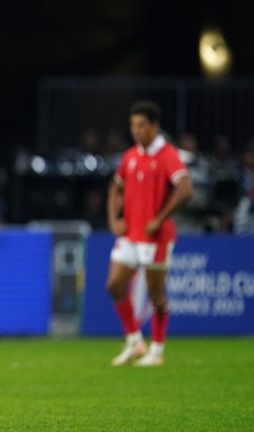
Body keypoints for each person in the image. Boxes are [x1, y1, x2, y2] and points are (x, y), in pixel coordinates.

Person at [106, 100, 193, 367]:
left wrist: (160, 218)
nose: (137, 130)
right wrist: (114, 219)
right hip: (131, 234)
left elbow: (186, 190)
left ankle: (157, 349)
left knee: (156, 294)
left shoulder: (167, 155)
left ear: (155, 126)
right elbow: (115, 188)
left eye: (142, 125)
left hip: (156, 236)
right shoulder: (131, 156)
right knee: (115, 286)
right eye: (133, 125)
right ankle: (134, 341)